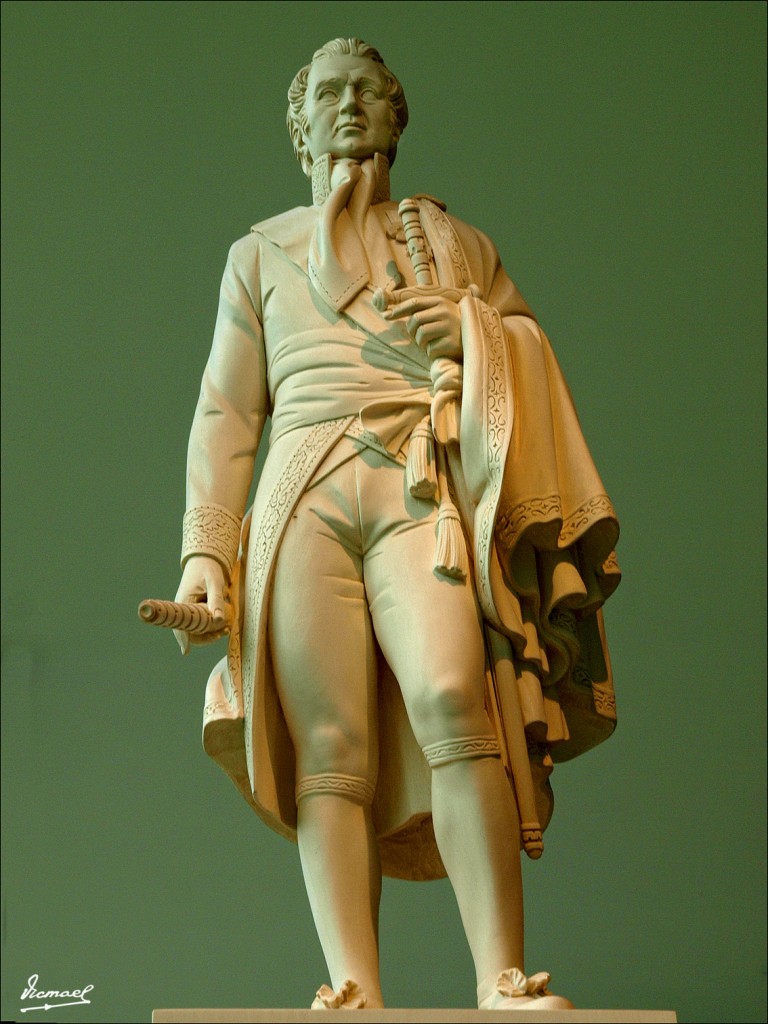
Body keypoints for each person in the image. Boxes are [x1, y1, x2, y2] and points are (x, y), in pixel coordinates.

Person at [173, 37, 620, 1011]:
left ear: (395, 115)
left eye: (367, 91)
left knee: (459, 695)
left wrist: (472, 333)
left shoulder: (456, 247)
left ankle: (500, 974)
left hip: (420, 486)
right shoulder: (258, 254)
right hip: (302, 495)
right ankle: (353, 986)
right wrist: (207, 549)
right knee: (329, 742)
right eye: (328, 94)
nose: (348, 105)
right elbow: (227, 411)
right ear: (300, 129)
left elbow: (522, 340)